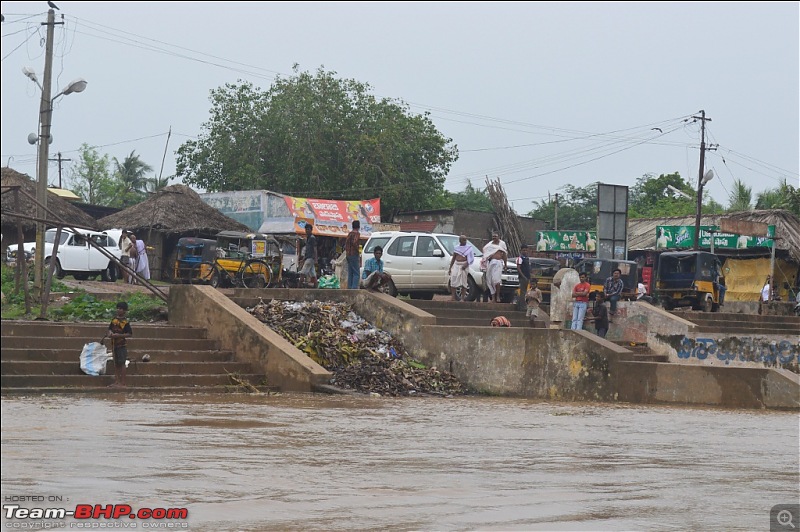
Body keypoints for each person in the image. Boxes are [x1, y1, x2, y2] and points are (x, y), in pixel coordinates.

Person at [106, 301, 132, 388]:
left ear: (124, 311)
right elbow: (109, 329)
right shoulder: (114, 320)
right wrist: (110, 334)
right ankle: (117, 382)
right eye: (118, 308)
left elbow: (129, 334)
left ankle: (123, 383)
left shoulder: (125, 322)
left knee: (122, 363)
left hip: (121, 345)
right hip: (114, 344)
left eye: (120, 309)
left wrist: (119, 335)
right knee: (116, 364)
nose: (118, 310)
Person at [482, 232, 508, 303]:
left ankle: (498, 296)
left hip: (498, 263)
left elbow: (504, 255)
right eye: (493, 237)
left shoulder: (501, 245)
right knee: (490, 280)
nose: (494, 238)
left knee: (496, 280)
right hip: (491, 263)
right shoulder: (489, 245)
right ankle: (493, 297)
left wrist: (505, 265)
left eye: (495, 236)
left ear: (498, 237)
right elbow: (485, 251)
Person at [448, 235, 474, 301]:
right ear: (460, 240)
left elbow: (471, 258)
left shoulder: (469, 248)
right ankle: (453, 297)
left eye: (465, 240)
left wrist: (466, 264)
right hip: (456, 265)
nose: (465, 241)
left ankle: (462, 298)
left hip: (464, 266)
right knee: (453, 280)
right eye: (463, 240)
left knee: (464, 282)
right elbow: (453, 258)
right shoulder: (456, 248)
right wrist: (450, 268)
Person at [299, 224, 318, 288]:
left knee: (303, 273)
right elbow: (307, 250)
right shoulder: (308, 238)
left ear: (311, 230)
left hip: (310, 258)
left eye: (308, 229)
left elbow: (315, 249)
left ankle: (299, 287)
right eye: (306, 229)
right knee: (313, 273)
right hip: (308, 258)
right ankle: (316, 286)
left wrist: (316, 259)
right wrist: (303, 259)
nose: (307, 230)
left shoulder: (312, 238)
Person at [345, 220, 361, 289]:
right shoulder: (356, 234)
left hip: (348, 255)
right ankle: (354, 289)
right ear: (359, 226)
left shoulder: (349, 234)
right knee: (356, 273)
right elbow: (354, 242)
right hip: (354, 254)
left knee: (350, 273)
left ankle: (349, 288)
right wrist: (358, 251)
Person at [516, 244, 531, 310]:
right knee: (522, 292)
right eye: (523, 250)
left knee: (525, 292)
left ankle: (520, 305)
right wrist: (523, 276)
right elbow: (518, 268)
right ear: (521, 251)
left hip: (527, 277)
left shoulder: (527, 259)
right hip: (523, 277)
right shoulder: (520, 258)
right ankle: (522, 306)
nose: (525, 251)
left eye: (526, 250)